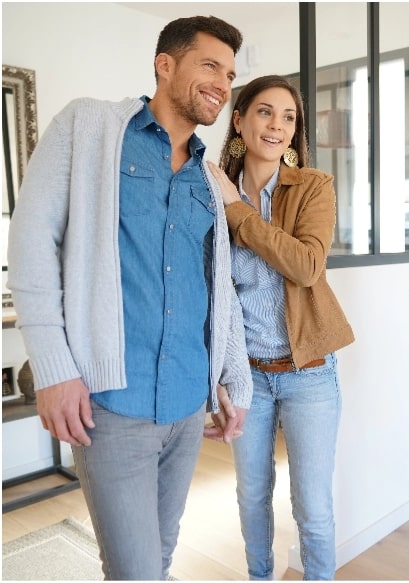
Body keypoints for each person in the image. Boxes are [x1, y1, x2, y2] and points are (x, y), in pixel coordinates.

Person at [7, 16, 253, 581]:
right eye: (209, 65)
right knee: (136, 570)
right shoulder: (90, 126)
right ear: (164, 65)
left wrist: (228, 374)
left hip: (190, 404)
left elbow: (216, 290)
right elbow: (32, 239)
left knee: (159, 558)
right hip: (111, 403)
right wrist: (52, 367)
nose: (223, 82)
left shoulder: (208, 179)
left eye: (231, 73)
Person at [205, 75, 355, 581]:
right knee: (251, 497)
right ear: (240, 119)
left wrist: (238, 211)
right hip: (245, 375)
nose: (277, 126)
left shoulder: (313, 186)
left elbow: (307, 265)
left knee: (312, 506)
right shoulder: (209, 191)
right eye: (265, 112)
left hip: (308, 370)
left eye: (289, 117)